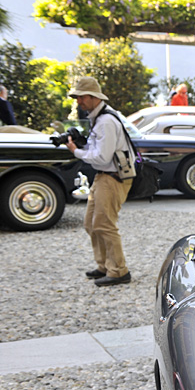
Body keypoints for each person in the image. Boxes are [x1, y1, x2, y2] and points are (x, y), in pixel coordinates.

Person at [62, 76, 134, 287]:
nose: (78, 101)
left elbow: (102, 157)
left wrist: (77, 152)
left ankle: (119, 270)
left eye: (81, 97)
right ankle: (104, 265)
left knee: (104, 224)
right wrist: (83, 147)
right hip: (104, 176)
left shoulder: (106, 121)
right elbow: (100, 153)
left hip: (113, 177)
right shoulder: (100, 119)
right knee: (91, 224)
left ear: (93, 97)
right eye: (77, 97)